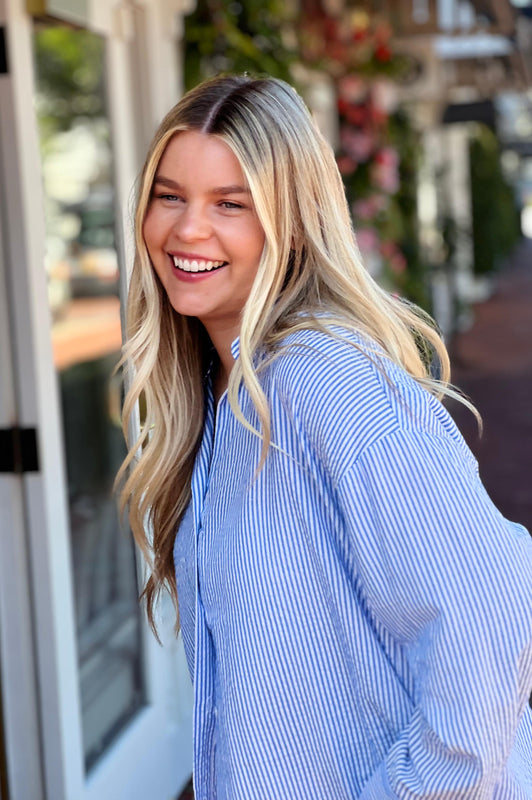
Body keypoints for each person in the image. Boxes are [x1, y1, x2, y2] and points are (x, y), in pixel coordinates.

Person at [117, 74, 532, 799]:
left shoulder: (324, 379)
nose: (187, 230)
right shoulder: (216, 394)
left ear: (293, 221)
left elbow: (491, 615)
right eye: (170, 195)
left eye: (231, 205)